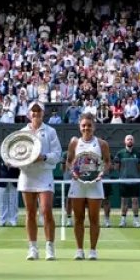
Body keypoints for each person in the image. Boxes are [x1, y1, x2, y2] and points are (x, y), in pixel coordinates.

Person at [17, 101, 62, 260]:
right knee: (30, 213)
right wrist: (13, 160)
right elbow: (17, 154)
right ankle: (33, 248)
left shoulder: (50, 132)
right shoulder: (22, 132)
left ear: (43, 113)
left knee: (46, 210)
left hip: (44, 175)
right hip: (27, 176)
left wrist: (43, 157)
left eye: (39, 111)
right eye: (33, 111)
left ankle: (50, 248)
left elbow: (57, 155)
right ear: (29, 114)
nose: (36, 114)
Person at [66, 113, 111, 260]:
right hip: (77, 184)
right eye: (84, 125)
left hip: (95, 185)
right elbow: (69, 161)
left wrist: (101, 173)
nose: (86, 128)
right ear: (80, 127)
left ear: (94, 127)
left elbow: (107, 162)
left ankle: (93, 250)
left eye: (89, 125)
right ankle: (79, 250)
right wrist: (72, 171)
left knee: (94, 219)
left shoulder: (102, 144)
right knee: (78, 218)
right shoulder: (74, 143)